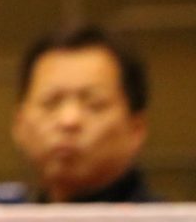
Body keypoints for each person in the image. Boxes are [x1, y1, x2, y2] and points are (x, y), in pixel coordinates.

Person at [11, 25, 158, 203]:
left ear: (136, 129)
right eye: (51, 103)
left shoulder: (166, 216)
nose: (68, 121)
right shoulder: (3, 214)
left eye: (94, 105)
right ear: (19, 124)